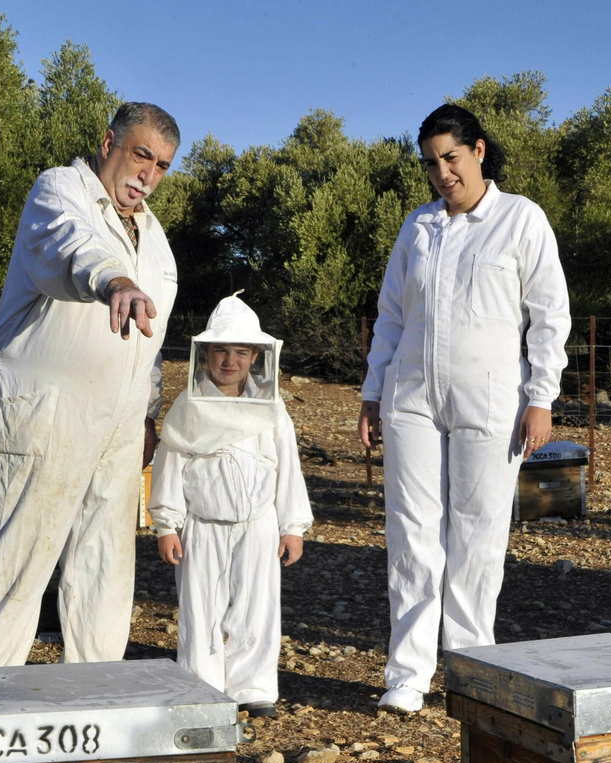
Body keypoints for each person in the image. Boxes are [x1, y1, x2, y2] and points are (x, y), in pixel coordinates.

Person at [358, 103, 571, 714]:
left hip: (492, 396)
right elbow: (391, 316)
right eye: (431, 163)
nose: (442, 173)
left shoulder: (521, 218)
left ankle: (471, 670)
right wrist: (373, 391)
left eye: (450, 158)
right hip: (411, 397)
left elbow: (549, 315)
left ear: (478, 151)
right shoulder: (417, 227)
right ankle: (407, 674)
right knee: (412, 531)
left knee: (478, 532)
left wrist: (541, 397)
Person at [0, 102, 180, 668]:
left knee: (105, 572)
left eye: (162, 165)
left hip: (118, 427)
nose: (148, 174)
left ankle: (96, 699)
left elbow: (149, 339)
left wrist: (147, 415)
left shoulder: (155, 238)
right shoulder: (59, 191)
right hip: (45, 415)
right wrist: (113, 280)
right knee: (14, 570)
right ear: (109, 144)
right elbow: (69, 244)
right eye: (141, 155)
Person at [150, 295, 312, 717]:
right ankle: (202, 686)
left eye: (241, 352)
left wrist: (292, 526)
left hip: (259, 523)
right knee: (200, 608)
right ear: (205, 353)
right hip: (202, 525)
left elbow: (287, 467)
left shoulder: (272, 407)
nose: (230, 361)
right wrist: (166, 524)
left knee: (257, 607)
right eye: (221, 350)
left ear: (256, 356)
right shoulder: (188, 406)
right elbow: (170, 463)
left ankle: (252, 687)